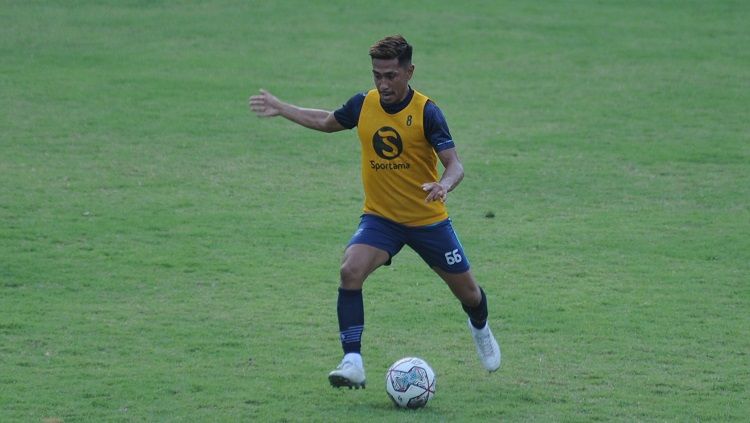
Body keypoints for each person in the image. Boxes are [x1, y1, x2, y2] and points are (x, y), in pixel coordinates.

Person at [248, 35, 500, 389]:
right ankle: (352, 361)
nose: (383, 84)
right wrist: (281, 106)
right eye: (377, 75)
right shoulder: (364, 104)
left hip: (428, 220)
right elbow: (326, 121)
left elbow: (455, 164)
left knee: (469, 294)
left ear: (409, 72)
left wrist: (444, 185)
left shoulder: (427, 112)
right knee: (350, 270)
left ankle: (480, 328)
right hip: (381, 219)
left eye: (391, 76)